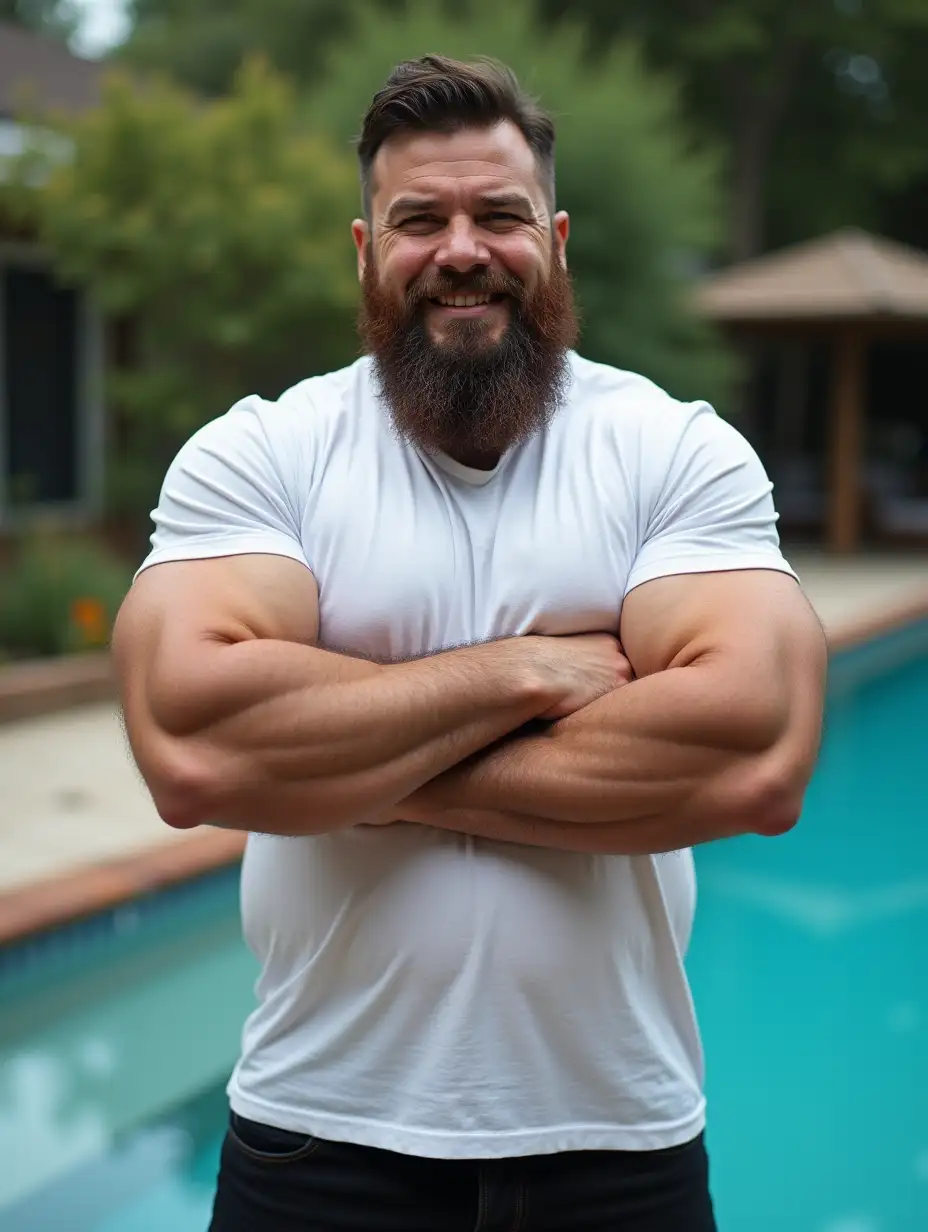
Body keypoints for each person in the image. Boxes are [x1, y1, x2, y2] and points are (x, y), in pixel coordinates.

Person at [113, 54, 827, 1232]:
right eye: (418, 219)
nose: (459, 249)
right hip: (317, 1140)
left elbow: (752, 752)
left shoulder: (670, 449)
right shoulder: (265, 454)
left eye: (497, 215)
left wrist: (354, 763)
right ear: (363, 250)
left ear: (552, 241)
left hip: (616, 1141)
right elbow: (194, 741)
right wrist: (525, 671)